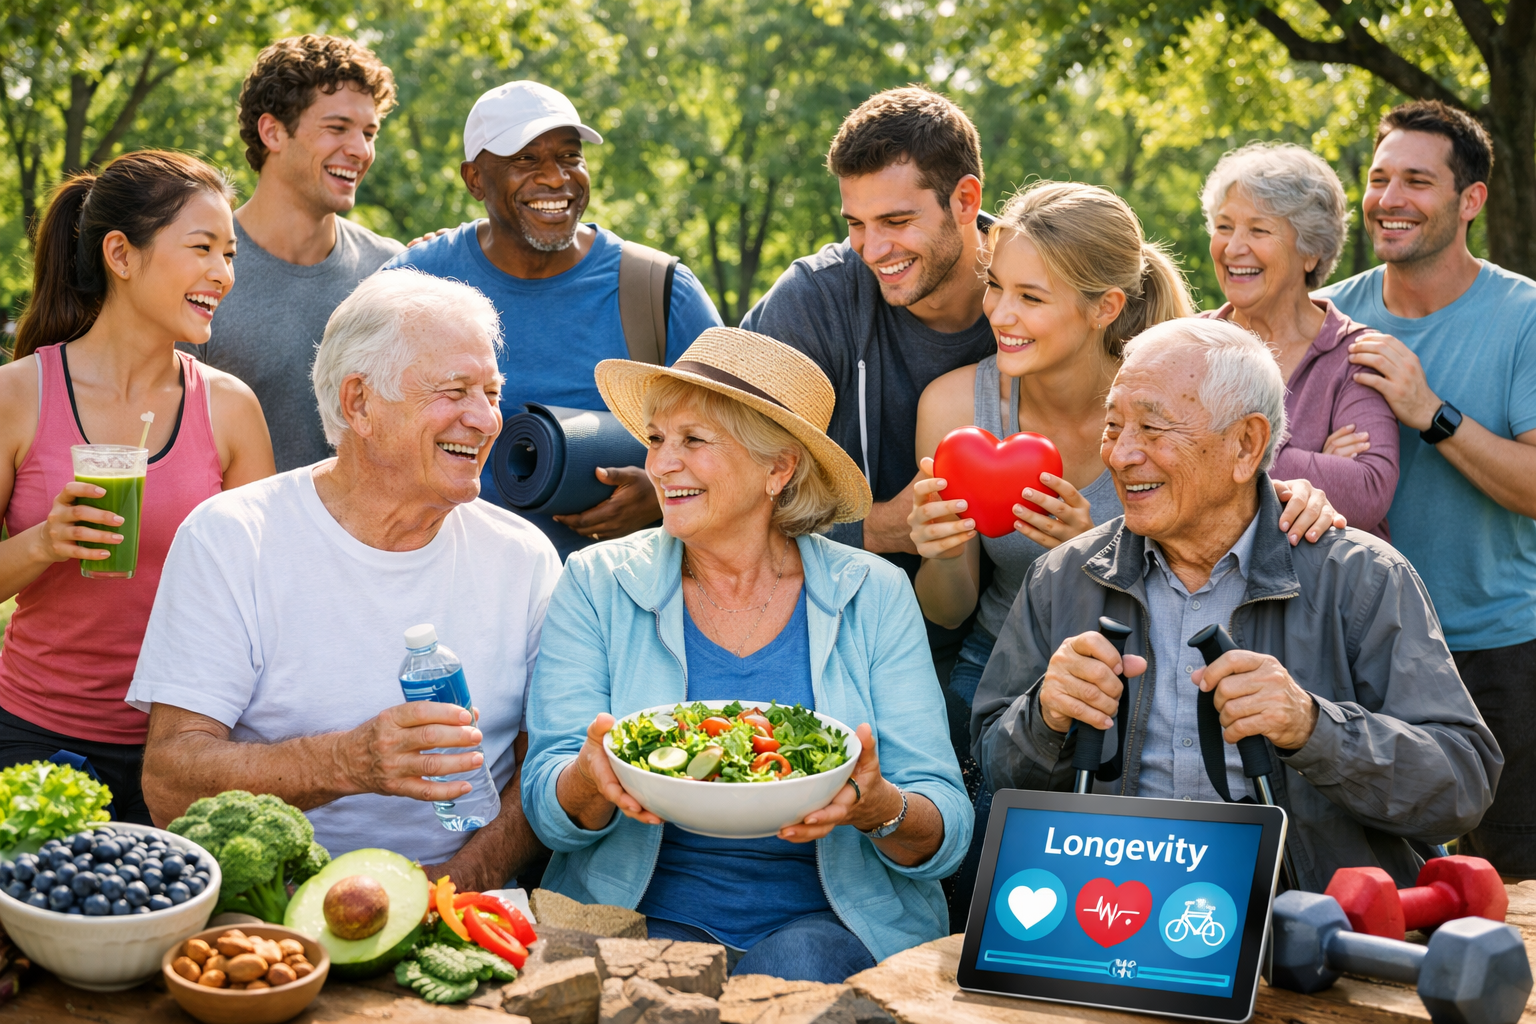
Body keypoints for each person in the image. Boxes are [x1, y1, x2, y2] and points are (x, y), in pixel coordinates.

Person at [907, 181, 1343, 925]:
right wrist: (942, 551)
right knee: (996, 901)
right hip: (1006, 668)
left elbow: (1238, 503)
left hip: (1157, 655)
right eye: (995, 289)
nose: (1001, 317)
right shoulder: (954, 408)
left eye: (1031, 298)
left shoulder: (1171, 393)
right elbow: (946, 611)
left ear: (1105, 305)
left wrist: (1094, 553)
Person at [972, 318, 1500, 890]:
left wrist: (1312, 728)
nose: (1121, 455)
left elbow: (1460, 785)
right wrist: (1044, 716)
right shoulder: (1061, 577)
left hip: (1300, 930)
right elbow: (994, 769)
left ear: (1246, 444)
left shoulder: (1362, 578)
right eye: (1114, 425)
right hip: (1115, 920)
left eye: (1152, 428)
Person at [521, 328, 971, 981]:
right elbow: (548, 808)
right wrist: (592, 777)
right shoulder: (596, 581)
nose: (660, 465)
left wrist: (878, 806)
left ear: (778, 468)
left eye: (693, 441)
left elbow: (945, 827)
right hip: (637, 922)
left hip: (826, 927)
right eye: (655, 439)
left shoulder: (873, 592)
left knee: (799, 967)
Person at [130, 270, 559, 888]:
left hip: (467, 906)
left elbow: (541, 765)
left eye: (492, 392)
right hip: (276, 912)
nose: (488, 420)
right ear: (359, 402)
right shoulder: (232, 537)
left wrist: (456, 881)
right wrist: (346, 762)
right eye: (456, 390)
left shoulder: (522, 557)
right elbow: (169, 782)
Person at [0, 151, 275, 822]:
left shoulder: (231, 409)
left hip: (187, 751)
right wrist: (44, 542)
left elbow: (271, 599)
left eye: (230, 254)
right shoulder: (18, 396)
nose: (223, 274)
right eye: (202, 248)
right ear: (120, 254)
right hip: (31, 741)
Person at [1317, 101, 1536, 876]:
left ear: (1469, 200)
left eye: (1416, 180)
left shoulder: (1525, 316)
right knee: (1381, 895)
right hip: (1356, 659)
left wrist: (1428, 413)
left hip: (1499, 653)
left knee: (1512, 894)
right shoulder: (1329, 315)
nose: (1388, 198)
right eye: (1378, 178)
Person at [386, 80, 722, 559]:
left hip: (622, 602)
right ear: (475, 179)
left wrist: (661, 493)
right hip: (446, 590)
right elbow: (354, 433)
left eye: (569, 156)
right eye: (525, 159)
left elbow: (739, 438)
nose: (555, 178)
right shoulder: (411, 284)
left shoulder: (657, 291)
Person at [183, 34, 404, 472]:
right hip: (233, 537)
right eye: (337, 128)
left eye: (369, 132)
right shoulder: (197, 269)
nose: (361, 150)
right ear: (272, 132)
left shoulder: (390, 271)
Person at [1200, 142, 1399, 537]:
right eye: (1224, 226)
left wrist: (1229, 450)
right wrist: (1311, 465)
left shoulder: (1354, 354)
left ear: (1311, 251)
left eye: (1258, 229)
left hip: (1324, 594)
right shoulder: (1190, 347)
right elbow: (1162, 463)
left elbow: (1366, 492)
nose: (1233, 247)